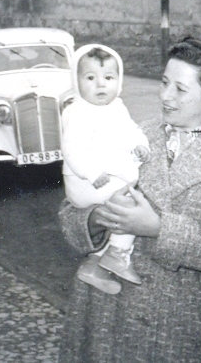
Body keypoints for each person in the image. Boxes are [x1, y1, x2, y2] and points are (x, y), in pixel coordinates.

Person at [58, 37, 201, 362]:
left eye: (180, 89)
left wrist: (157, 228)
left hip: (183, 326)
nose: (165, 96)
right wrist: (96, 218)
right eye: (164, 82)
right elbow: (70, 214)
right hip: (109, 316)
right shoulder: (129, 133)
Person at [61, 44, 151, 295]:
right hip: (86, 181)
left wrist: (141, 144)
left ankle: (94, 265)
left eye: (109, 78)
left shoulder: (117, 107)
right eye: (91, 78)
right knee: (130, 206)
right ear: (76, 81)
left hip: (105, 176)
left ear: (118, 81)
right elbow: (72, 149)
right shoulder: (77, 112)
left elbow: (132, 130)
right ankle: (118, 253)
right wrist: (91, 172)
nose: (101, 84)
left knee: (123, 201)